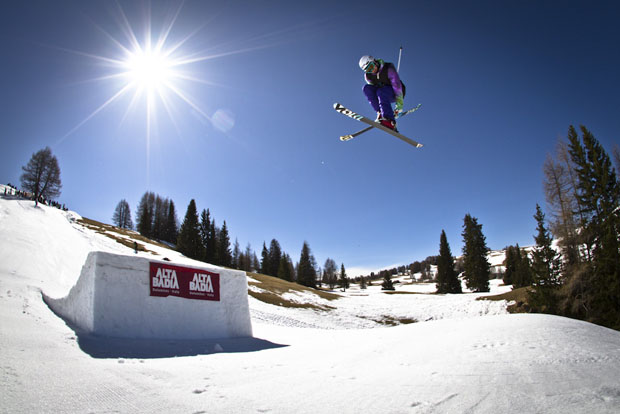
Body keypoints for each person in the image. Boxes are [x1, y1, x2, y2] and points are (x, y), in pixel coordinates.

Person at [359, 55, 406, 131]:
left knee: (381, 91)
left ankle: (390, 120)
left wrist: (399, 106)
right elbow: (373, 92)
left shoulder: (388, 68)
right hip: (383, 93)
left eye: (371, 66)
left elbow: (397, 86)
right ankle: (381, 113)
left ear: (374, 61)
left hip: (396, 91)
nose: (372, 70)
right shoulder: (368, 76)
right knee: (366, 88)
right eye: (368, 70)